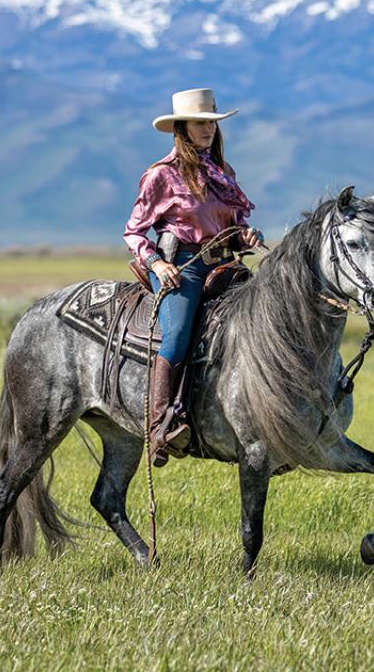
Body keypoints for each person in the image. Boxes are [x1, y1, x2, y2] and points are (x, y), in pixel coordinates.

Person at [124, 88, 264, 465]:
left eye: (212, 124)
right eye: (200, 123)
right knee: (178, 335)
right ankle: (161, 425)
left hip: (223, 265)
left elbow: (234, 225)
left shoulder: (223, 174)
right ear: (182, 128)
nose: (208, 130)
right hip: (181, 266)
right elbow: (134, 231)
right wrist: (157, 264)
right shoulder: (161, 175)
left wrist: (246, 234)